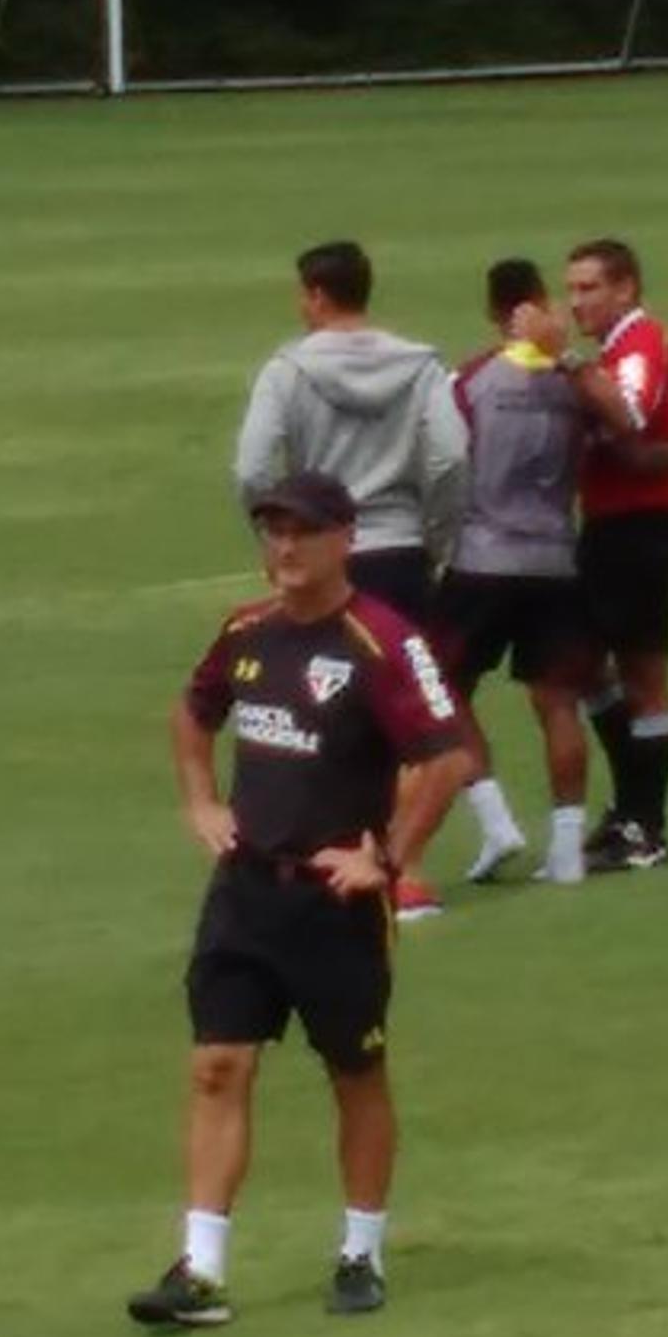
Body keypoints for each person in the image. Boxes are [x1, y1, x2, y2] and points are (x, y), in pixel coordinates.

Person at [132, 472, 477, 1330]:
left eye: (302, 533)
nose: (284, 549)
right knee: (216, 1065)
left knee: (354, 1072)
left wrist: (389, 861)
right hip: (246, 893)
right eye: (272, 532)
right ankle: (201, 1272)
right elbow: (192, 710)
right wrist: (201, 803)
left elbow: (447, 757)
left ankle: (361, 1250)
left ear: (344, 539)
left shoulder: (383, 644)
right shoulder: (247, 632)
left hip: (335, 906)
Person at [233, 239, 470, 917]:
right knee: (406, 717)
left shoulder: (290, 368)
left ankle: (332, 859)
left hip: (314, 549)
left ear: (314, 294)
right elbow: (451, 456)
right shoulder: (421, 365)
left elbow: (252, 464)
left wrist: (278, 537)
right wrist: (437, 533)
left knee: (316, 715)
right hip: (398, 548)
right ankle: (404, 867)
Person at [437, 258, 629, 887]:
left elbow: (443, 460)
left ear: (494, 313)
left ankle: (494, 819)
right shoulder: (573, 380)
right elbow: (624, 423)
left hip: (481, 558)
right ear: (540, 303)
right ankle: (568, 848)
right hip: (555, 558)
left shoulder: (469, 380)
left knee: (443, 692)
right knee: (558, 703)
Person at [561, 235, 668, 870]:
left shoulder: (641, 343)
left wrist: (566, 362)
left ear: (626, 289)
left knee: (645, 678)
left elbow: (632, 417)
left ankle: (647, 827)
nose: (575, 302)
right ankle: (629, 809)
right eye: (570, 290)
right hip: (610, 531)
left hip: (642, 532)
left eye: (588, 288)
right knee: (586, 666)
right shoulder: (615, 350)